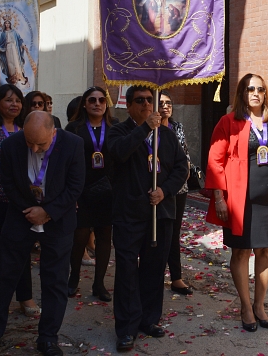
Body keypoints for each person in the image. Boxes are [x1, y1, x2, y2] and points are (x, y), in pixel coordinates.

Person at [205, 74, 268, 332]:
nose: (255, 93)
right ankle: (245, 306)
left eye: (259, 89)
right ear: (241, 94)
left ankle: (259, 305)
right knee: (241, 252)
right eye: (249, 89)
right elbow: (215, 161)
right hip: (239, 199)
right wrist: (219, 197)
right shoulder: (228, 122)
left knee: (265, 251)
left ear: (265, 93)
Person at [0, 111, 85, 356]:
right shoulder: (12, 144)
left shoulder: (73, 144)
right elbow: (7, 181)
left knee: (54, 280)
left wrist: (47, 212)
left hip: (58, 220)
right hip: (21, 216)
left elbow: (75, 185)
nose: (33, 149)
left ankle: (47, 337)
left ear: (53, 131)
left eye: (40, 144)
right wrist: (30, 210)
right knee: (4, 275)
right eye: (29, 142)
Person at [106, 86, 188, 353]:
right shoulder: (119, 131)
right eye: (139, 101)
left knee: (153, 270)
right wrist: (144, 129)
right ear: (128, 105)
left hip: (160, 213)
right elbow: (118, 153)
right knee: (128, 272)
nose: (145, 105)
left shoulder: (166, 134)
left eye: (149, 100)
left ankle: (148, 320)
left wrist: (165, 191)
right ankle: (126, 328)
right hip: (129, 214)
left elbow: (181, 168)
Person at [0, 84, 39, 317]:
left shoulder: (26, 129)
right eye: (8, 100)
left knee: (20, 251)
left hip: (21, 200)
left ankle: (25, 297)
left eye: (18, 100)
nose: (14, 104)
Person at [65, 87, 114, 302]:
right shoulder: (73, 128)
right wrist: (70, 193)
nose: (97, 103)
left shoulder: (115, 128)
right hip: (81, 190)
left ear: (106, 103)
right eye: (92, 100)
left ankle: (99, 283)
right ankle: (73, 278)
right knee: (79, 237)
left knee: (104, 237)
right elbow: (66, 163)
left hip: (108, 190)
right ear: (84, 104)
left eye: (102, 100)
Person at [158, 91, 192, 296]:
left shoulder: (177, 127)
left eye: (169, 103)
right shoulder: (149, 128)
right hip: (157, 188)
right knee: (159, 232)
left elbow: (184, 156)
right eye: (161, 103)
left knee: (174, 232)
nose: (166, 107)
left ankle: (176, 277)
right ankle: (156, 274)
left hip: (178, 188)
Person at [0, 19, 28, 86]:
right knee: (9, 62)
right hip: (7, 48)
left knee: (16, 61)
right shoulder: (3, 34)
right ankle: (12, 77)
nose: (7, 25)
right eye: (6, 23)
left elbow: (19, 39)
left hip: (14, 47)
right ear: (4, 25)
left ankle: (19, 76)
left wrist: (22, 45)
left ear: (10, 24)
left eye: (8, 23)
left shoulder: (14, 32)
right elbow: (1, 44)